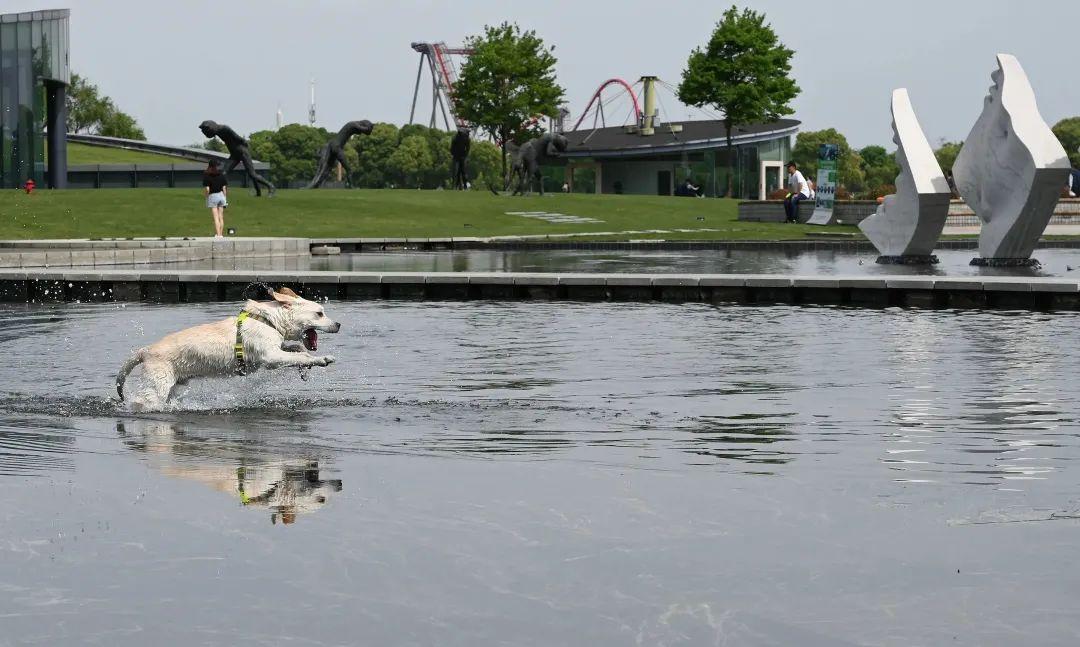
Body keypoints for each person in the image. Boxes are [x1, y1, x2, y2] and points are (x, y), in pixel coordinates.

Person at [203, 160, 228, 238]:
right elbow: (224, 188)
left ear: (209, 166)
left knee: (216, 217)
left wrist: (206, 196)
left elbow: (207, 189)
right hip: (221, 195)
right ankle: (221, 234)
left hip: (213, 196)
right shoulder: (221, 174)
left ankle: (217, 234)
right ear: (216, 166)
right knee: (221, 216)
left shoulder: (207, 175)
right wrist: (225, 198)